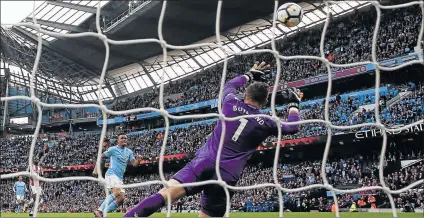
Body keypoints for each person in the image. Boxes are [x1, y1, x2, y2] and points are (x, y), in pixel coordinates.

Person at [124, 61, 303, 217]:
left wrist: (249, 75)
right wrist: (294, 105)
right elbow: (293, 127)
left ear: (245, 95)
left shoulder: (230, 103)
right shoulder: (266, 121)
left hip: (205, 161)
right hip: (227, 175)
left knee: (165, 195)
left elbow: (229, 85)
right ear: (264, 103)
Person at [93, 133, 140, 217]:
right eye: (122, 138)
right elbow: (101, 156)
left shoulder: (129, 152)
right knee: (117, 192)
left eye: (125, 138)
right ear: (118, 140)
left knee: (121, 199)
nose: (124, 139)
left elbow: (134, 164)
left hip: (120, 177)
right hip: (111, 174)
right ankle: (99, 210)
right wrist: (96, 169)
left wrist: (139, 160)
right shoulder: (113, 149)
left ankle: (102, 213)